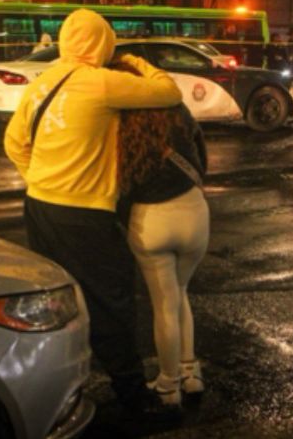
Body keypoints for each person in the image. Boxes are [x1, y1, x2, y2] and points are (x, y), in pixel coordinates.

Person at [3, 8, 182, 420]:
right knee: (112, 303)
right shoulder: (101, 82)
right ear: (102, 43)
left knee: (59, 300)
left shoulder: (42, 81)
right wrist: (136, 61)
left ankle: (61, 385)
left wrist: (41, 178)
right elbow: (168, 91)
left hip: (38, 207)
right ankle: (135, 398)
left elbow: (13, 142)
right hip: (83, 215)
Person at [117, 99, 209, 411]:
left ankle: (169, 384)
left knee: (164, 305)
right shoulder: (176, 108)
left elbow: (118, 187)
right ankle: (190, 371)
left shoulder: (120, 119)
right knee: (181, 292)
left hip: (150, 220)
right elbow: (201, 153)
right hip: (194, 212)